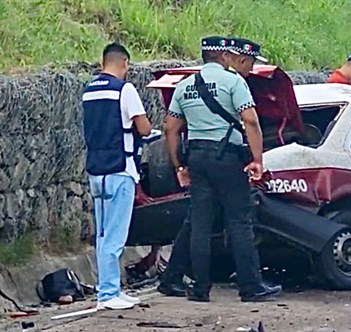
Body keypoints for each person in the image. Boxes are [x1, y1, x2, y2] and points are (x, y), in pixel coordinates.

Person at [162, 36, 282, 302]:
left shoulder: (185, 85)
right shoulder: (233, 82)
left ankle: (200, 289)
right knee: (239, 221)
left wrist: (179, 165)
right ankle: (251, 286)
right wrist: (257, 159)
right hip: (227, 158)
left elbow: (170, 128)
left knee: (200, 224)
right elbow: (250, 120)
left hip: (197, 158)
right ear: (226, 57)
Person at [82, 42, 152, 310]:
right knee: (115, 236)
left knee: (102, 234)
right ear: (124, 63)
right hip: (121, 169)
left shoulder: (89, 91)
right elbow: (143, 128)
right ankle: (109, 294)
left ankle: (108, 289)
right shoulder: (125, 89)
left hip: (96, 170)